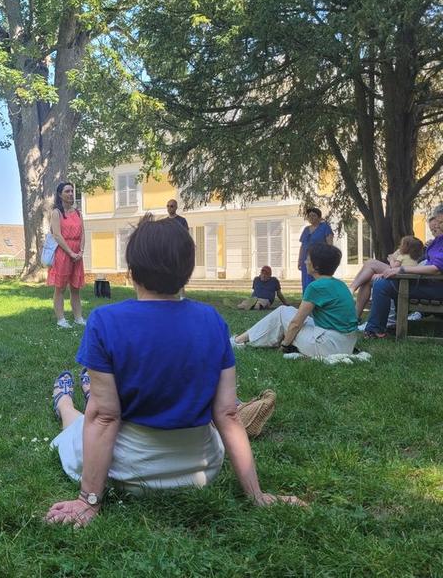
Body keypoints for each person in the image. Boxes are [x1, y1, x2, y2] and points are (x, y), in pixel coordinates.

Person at [45, 215, 304, 527]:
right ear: (187, 271)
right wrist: (257, 495)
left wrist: (88, 501)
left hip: (127, 467)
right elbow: (228, 415)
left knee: (81, 422)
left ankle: (64, 401)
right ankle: (88, 387)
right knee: (101, 405)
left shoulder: (105, 321)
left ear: (132, 270)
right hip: (200, 467)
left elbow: (104, 418)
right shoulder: (213, 322)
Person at [232, 243, 358, 357]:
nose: (305, 262)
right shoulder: (340, 285)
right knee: (287, 310)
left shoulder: (316, 287)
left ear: (316, 265)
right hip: (347, 344)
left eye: (308, 258)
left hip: (327, 346)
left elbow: (296, 324)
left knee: (282, 312)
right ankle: (246, 338)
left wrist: (285, 345)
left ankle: (239, 340)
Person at [363, 204, 443, 339]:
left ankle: (376, 329)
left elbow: (436, 269)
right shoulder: (438, 241)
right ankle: (376, 329)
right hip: (426, 282)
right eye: (439, 221)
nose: (439, 226)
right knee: (382, 283)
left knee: (383, 285)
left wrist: (402, 269)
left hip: (436, 287)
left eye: (441, 222)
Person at [350, 235, 425, 319]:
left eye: (401, 244)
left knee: (370, 263)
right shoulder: (415, 257)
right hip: (406, 277)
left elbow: (394, 267)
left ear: (406, 247)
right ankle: (354, 316)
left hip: (402, 277)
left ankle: (352, 289)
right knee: (368, 277)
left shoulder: (402, 256)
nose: (399, 246)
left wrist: (391, 260)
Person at [47, 182, 85, 328]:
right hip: (63, 252)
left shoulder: (78, 213)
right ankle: (61, 319)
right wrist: (70, 252)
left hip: (77, 252)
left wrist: (81, 251)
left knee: (76, 287)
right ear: (60, 195)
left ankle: (78, 317)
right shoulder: (57, 213)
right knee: (60, 287)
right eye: (67, 191)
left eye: (72, 191)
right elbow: (56, 235)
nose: (70, 194)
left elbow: (82, 234)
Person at [298, 207, 334, 293]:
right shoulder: (306, 229)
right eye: (309, 216)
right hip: (306, 260)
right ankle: (307, 301)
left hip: (319, 259)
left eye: (314, 215)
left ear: (319, 217)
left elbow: (330, 244)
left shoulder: (325, 227)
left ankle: (319, 303)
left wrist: (328, 258)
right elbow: (302, 246)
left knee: (318, 280)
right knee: (306, 281)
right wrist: (299, 260)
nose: (311, 218)